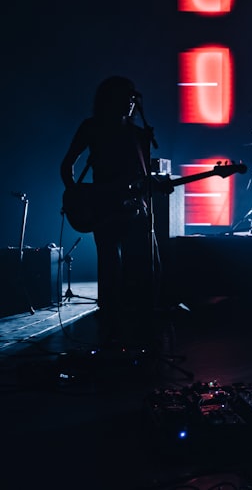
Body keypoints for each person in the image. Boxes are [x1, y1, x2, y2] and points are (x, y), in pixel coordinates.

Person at [60, 75, 169, 347]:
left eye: (133, 98)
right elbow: (68, 163)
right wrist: (76, 192)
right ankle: (111, 320)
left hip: (134, 208)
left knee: (143, 265)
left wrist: (154, 185)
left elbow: (142, 176)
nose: (131, 103)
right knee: (110, 265)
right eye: (126, 97)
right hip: (105, 207)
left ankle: (138, 319)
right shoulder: (92, 127)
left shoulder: (138, 133)